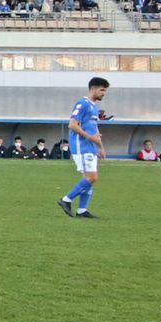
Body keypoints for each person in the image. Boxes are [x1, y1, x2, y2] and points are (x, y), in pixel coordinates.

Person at [59, 77, 109, 219]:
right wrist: (90, 138)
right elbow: (72, 125)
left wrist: (100, 146)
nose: (104, 93)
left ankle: (82, 210)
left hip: (90, 146)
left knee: (87, 179)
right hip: (82, 146)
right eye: (102, 90)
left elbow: (95, 130)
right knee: (92, 177)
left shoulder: (94, 106)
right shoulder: (83, 104)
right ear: (93, 88)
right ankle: (66, 200)